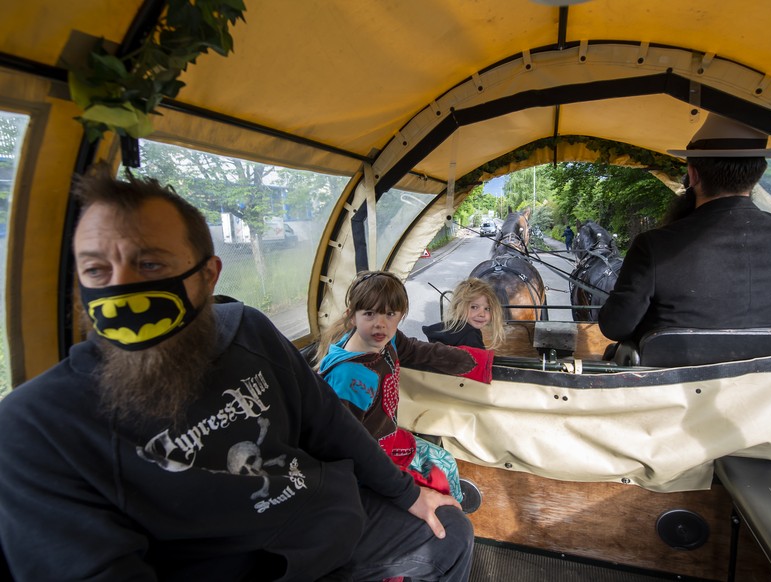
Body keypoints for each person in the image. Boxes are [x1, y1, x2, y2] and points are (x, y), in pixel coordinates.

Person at [0, 169, 474, 581]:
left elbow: (330, 424)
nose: (123, 289)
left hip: (333, 520)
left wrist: (408, 494)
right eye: (97, 270)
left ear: (208, 276)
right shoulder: (35, 427)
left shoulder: (246, 331)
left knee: (451, 530)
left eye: (149, 264)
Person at [598, 113, 771, 346]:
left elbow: (616, 327)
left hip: (672, 378)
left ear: (693, 174)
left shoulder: (654, 245)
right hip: (763, 377)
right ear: (759, 173)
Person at [317, 271, 493, 508]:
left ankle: (452, 515)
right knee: (438, 478)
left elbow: (413, 349)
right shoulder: (350, 377)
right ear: (352, 317)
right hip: (372, 459)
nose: (381, 323)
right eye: (369, 313)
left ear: (400, 317)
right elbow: (345, 446)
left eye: (390, 314)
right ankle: (446, 521)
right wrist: (400, 488)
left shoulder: (386, 340)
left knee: (445, 462)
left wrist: (469, 360)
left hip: (387, 439)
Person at [422, 277, 506, 350]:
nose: (482, 314)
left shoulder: (446, 329)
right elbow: (479, 365)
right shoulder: (470, 336)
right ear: (459, 307)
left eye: (487, 309)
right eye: (474, 307)